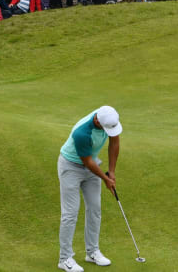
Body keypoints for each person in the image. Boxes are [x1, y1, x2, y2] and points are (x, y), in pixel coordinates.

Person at [57, 106, 121, 271]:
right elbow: (87, 163)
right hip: (70, 167)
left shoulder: (110, 119)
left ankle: (92, 251)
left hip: (92, 165)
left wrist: (112, 172)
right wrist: (106, 179)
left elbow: (114, 143)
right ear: (97, 121)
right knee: (70, 213)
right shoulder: (82, 132)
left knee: (95, 208)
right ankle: (65, 258)